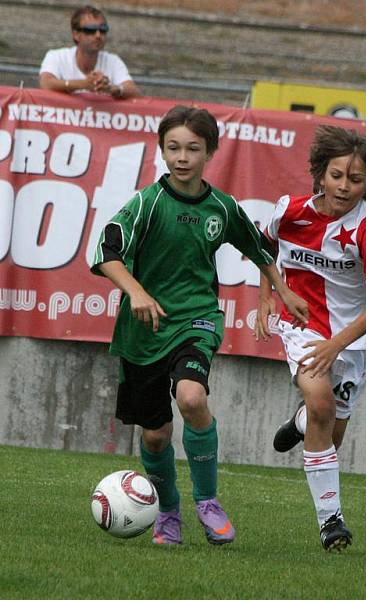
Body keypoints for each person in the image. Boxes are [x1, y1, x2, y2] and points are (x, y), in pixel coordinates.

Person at [90, 105, 308, 546]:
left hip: (196, 319)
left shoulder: (222, 208)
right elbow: (105, 252)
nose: (182, 157)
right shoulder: (147, 205)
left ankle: (207, 501)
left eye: (192, 148)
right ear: (162, 150)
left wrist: (282, 291)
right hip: (144, 331)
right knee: (155, 436)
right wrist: (137, 291)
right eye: (173, 148)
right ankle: (168, 513)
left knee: (191, 398)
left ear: (210, 152)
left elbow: (259, 247)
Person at [255, 124, 366, 552]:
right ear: (319, 173)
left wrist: (338, 345)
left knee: (328, 430)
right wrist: (267, 297)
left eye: (356, 179)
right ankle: (331, 522)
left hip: (355, 341)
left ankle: (301, 424)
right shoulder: (289, 211)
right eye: (337, 175)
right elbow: (263, 247)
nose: (344, 186)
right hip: (305, 326)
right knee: (321, 404)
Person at [39, 5, 140, 99]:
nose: (98, 35)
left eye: (103, 30)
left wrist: (112, 89)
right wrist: (84, 84)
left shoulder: (113, 61)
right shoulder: (56, 56)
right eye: (90, 30)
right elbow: (46, 83)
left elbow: (134, 91)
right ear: (76, 35)